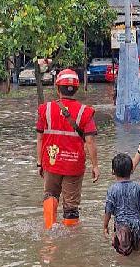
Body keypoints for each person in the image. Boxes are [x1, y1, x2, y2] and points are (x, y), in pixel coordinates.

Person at [36, 69, 100, 228]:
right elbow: (90, 141)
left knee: (50, 195)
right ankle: (70, 240)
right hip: (74, 165)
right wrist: (95, 166)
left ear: (57, 88)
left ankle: (50, 231)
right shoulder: (86, 112)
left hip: (51, 162)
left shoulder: (45, 109)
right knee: (71, 204)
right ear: (76, 89)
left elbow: (39, 138)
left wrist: (39, 162)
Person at [103, 153, 140, 256]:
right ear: (131, 170)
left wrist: (105, 226)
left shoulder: (112, 189)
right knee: (137, 250)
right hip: (137, 224)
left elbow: (108, 211)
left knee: (123, 254)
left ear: (113, 171)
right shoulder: (137, 187)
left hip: (122, 226)